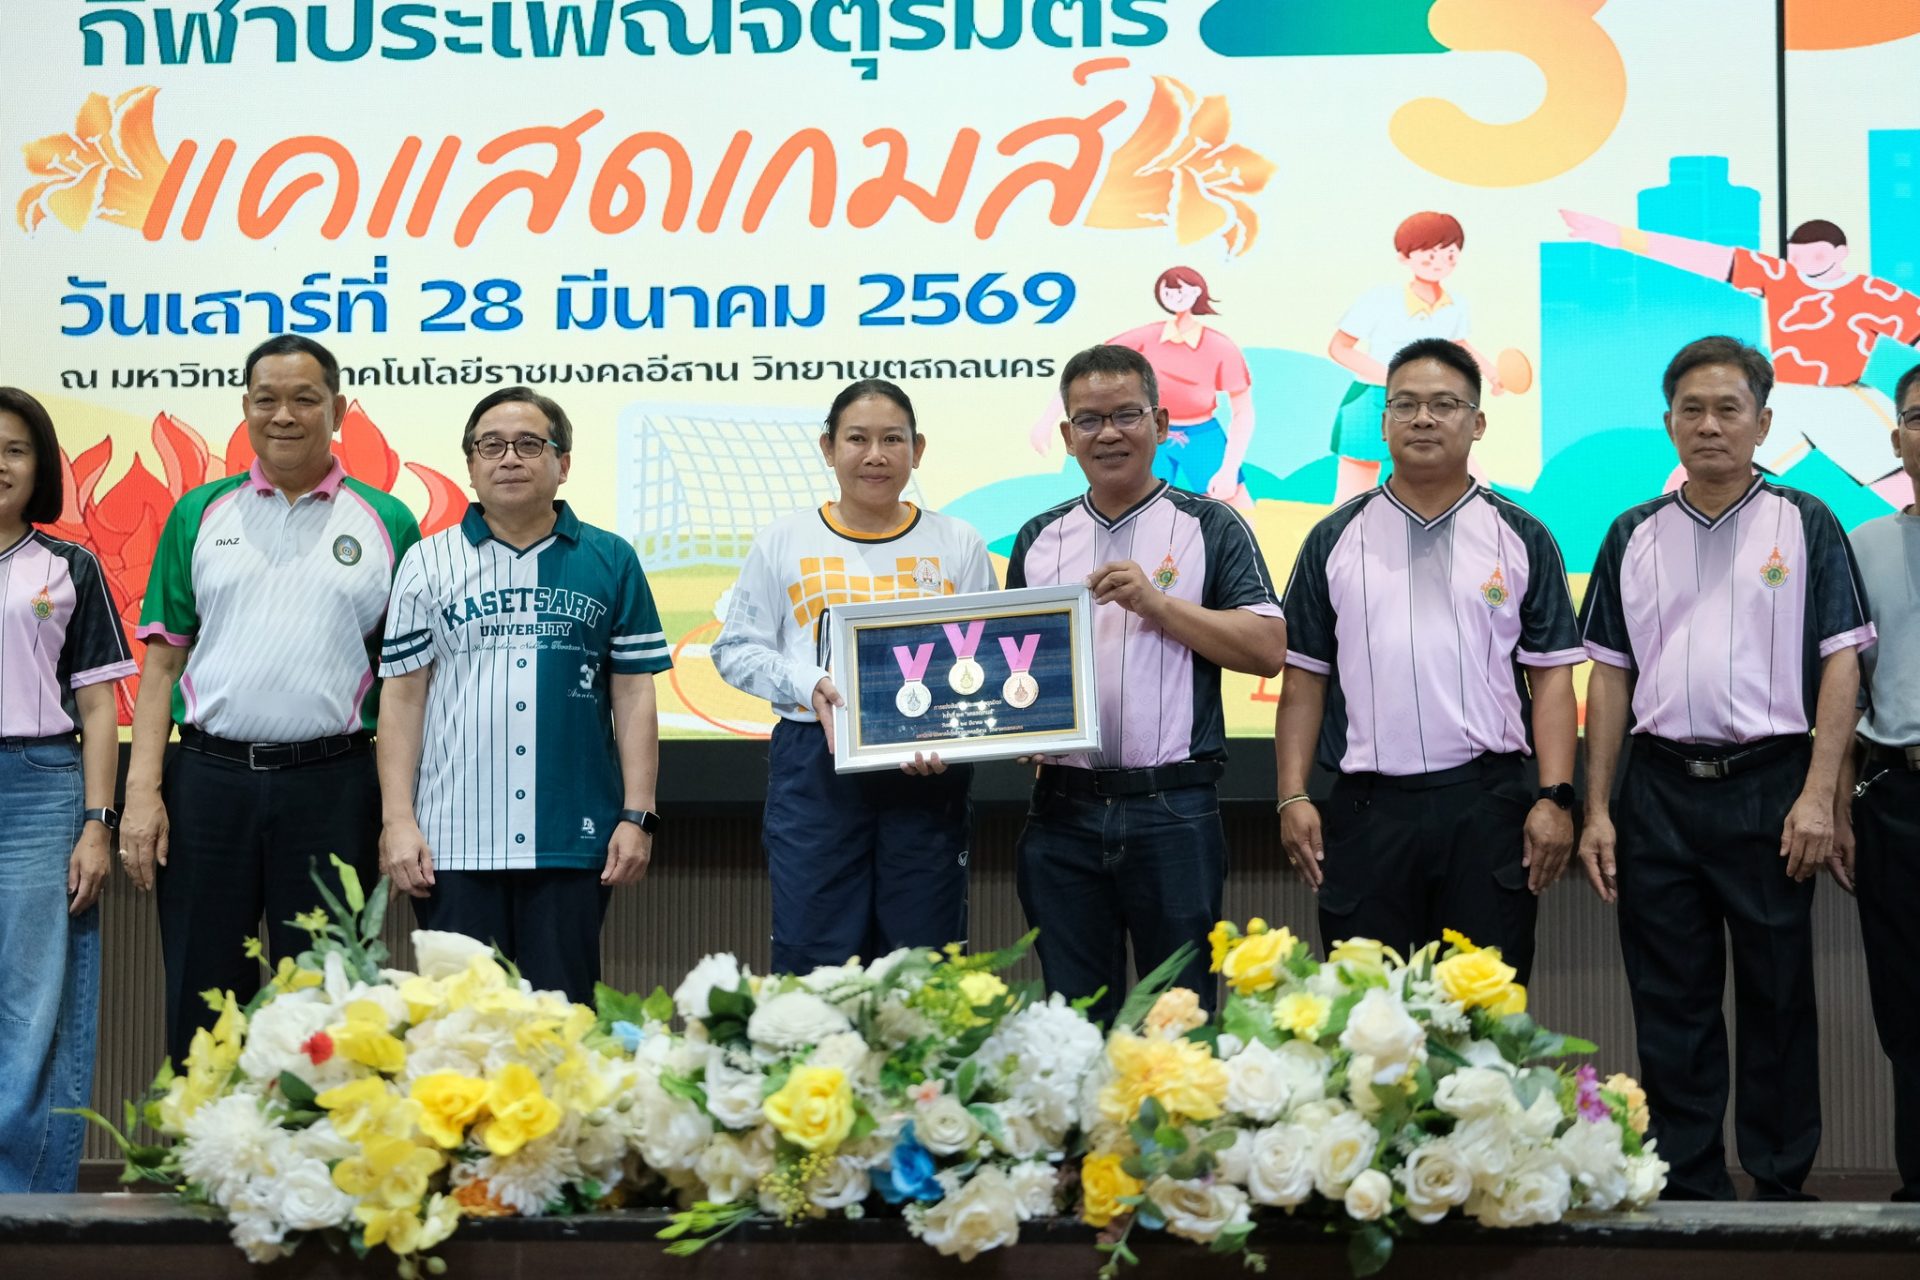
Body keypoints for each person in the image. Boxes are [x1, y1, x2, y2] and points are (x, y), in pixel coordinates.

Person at [1576, 335, 1875, 1201]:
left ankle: (1781, 1184)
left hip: (1771, 787)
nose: (1709, 425)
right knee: (1671, 999)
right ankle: (1690, 1183)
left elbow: (1842, 662)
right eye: (1692, 410)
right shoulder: (1631, 532)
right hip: (1659, 789)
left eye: (1728, 409)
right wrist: (1598, 809)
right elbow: (1610, 675)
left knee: (1779, 996)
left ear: (1763, 422)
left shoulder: (1806, 521)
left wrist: (1819, 796)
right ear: (1669, 422)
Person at [123, 336, 421, 1067]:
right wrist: (141, 794)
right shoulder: (199, 513)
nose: (283, 415)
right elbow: (161, 668)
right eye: (267, 400)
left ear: (338, 410)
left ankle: (322, 1140)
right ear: (246, 408)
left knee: (328, 997)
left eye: (304, 399)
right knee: (202, 992)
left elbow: (405, 686)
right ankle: (206, 1134)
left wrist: (397, 812)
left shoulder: (388, 521)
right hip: (208, 785)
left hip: (334, 786)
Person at [1276, 339, 1581, 980]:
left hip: (1486, 808)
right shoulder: (1333, 538)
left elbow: (1552, 681)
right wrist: (1290, 795)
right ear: (1384, 422)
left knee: (1483, 1013)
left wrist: (1556, 797)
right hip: (1368, 813)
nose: (1422, 419)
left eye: (1444, 405)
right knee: (1366, 1013)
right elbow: (1304, 681)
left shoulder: (1522, 536)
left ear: (1478, 422)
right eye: (1405, 405)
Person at [1008, 344, 1287, 1027]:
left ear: (1160, 424)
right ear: (1068, 435)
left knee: (1179, 1023)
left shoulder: (1211, 524)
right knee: (1074, 1026)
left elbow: (1268, 649)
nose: (1108, 433)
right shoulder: (1039, 537)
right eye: (1089, 420)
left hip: (1173, 812)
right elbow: (1013, 670)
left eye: (1126, 415)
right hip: (1061, 814)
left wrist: (1158, 605)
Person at [376, 387, 668, 1003]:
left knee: (560, 1022)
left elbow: (634, 692)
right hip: (451, 841)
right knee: (457, 1026)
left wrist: (637, 814)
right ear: (471, 464)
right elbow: (401, 699)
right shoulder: (426, 562)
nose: (509, 457)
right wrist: (398, 821)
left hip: (572, 838)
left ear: (563, 463)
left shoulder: (611, 558)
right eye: (491, 445)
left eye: (530, 444)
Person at [713, 379, 995, 974]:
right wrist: (806, 683)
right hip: (814, 766)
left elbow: (982, 665)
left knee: (921, 965)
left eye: (892, 439)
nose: (876, 455)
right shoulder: (784, 539)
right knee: (816, 961)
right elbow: (734, 649)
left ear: (918, 450)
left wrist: (954, 738)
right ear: (828, 447)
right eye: (857, 439)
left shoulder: (958, 542)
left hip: (926, 770)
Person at [0, 388, 137, 1191]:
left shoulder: (68, 566)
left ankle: (23, 1206)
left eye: (14, 449)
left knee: (31, 1010)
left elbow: (97, 707)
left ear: (40, 466)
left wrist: (97, 822)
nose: (0, 464)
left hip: (39, 790)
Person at [1562, 211, 1920, 506]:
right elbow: (1707, 258)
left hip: (1839, 397)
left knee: (1902, 482)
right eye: (1797, 256)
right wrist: (1619, 236)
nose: (1805, 266)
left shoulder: (1871, 294)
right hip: (1783, 396)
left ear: (1841, 253)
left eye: (1817, 256)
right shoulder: (1779, 276)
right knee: (1689, 477)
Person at [1833, 361, 1920, 1201]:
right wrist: (1837, 805)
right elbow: (1844, 689)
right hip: (1897, 799)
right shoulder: (1862, 547)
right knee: (1907, 1004)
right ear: (1896, 439)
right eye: (1919, 417)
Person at [1030, 267, 1257, 510]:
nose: (1174, 296)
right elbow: (1085, 371)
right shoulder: (1145, 337)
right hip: (1147, 433)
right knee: (1138, 510)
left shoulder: (1219, 346)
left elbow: (1242, 411)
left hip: (1202, 435)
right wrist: (1046, 421)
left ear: (1197, 291)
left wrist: (1229, 468)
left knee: (1236, 505)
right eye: (1168, 291)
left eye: (1181, 290)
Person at [1328, 213, 1506, 504]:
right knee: (1354, 494)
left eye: (1450, 254)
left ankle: (1487, 528)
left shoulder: (1456, 304)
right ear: (1404, 257)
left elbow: (1458, 343)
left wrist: (1491, 372)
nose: (1440, 262)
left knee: (1468, 477)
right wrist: (1393, 379)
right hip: (1372, 401)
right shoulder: (1381, 299)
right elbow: (1340, 347)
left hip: (1430, 404)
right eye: (1430, 255)